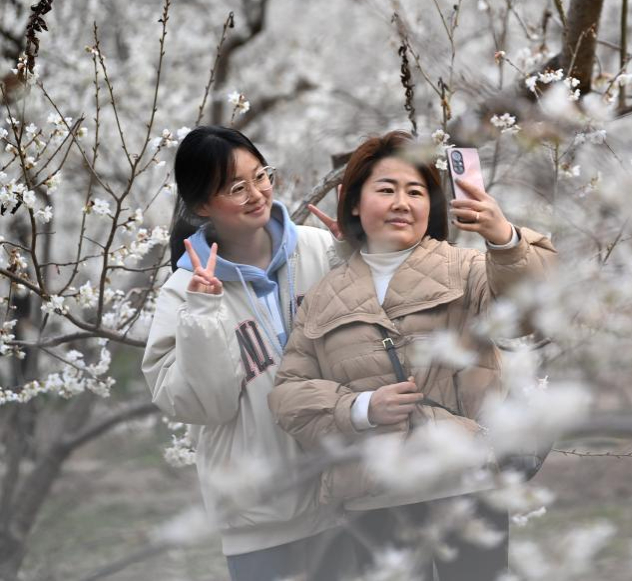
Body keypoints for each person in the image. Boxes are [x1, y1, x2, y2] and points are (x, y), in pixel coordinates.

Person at [267, 130, 557, 580]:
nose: (402, 202)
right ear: (355, 203)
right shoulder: (324, 296)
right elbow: (288, 395)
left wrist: (505, 239)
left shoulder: (468, 268)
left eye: (416, 191)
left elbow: (532, 314)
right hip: (376, 495)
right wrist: (361, 408)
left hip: (466, 481)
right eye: (386, 189)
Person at [142, 126, 353, 581]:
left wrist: (355, 256)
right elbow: (204, 405)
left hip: (343, 493)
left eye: (262, 176)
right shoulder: (184, 292)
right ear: (202, 206)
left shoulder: (321, 249)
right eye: (237, 188)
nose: (257, 194)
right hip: (259, 514)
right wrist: (203, 312)